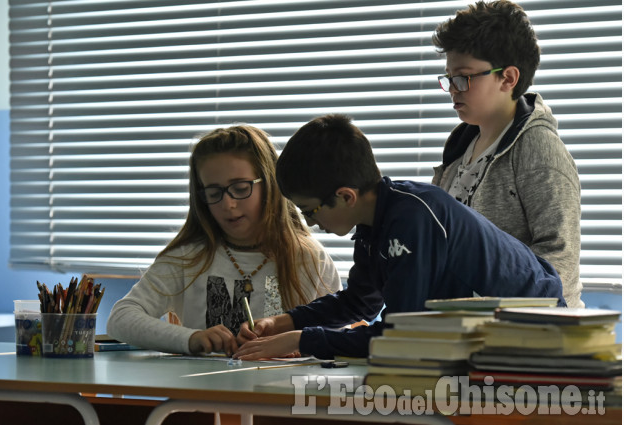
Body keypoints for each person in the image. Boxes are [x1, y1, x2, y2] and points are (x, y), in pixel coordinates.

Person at [233, 114, 565, 361]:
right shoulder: (372, 225)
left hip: (539, 335)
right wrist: (282, 322)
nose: (311, 222)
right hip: (490, 339)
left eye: (311, 210)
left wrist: (301, 341)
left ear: (346, 196)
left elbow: (403, 334)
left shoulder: (413, 220)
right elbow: (360, 302)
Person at [107, 125, 341, 356]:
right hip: (205, 392)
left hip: (281, 391)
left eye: (240, 188)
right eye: (213, 193)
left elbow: (336, 331)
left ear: (269, 184)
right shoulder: (188, 258)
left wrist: (300, 345)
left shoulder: (310, 258)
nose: (228, 204)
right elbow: (121, 318)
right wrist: (191, 338)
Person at [431, 0, 583, 308]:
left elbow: (560, 258)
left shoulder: (538, 147)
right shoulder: (459, 145)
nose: (453, 89)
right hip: (462, 326)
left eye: (463, 77)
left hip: (526, 332)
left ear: (508, 78)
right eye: (448, 78)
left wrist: (499, 310)